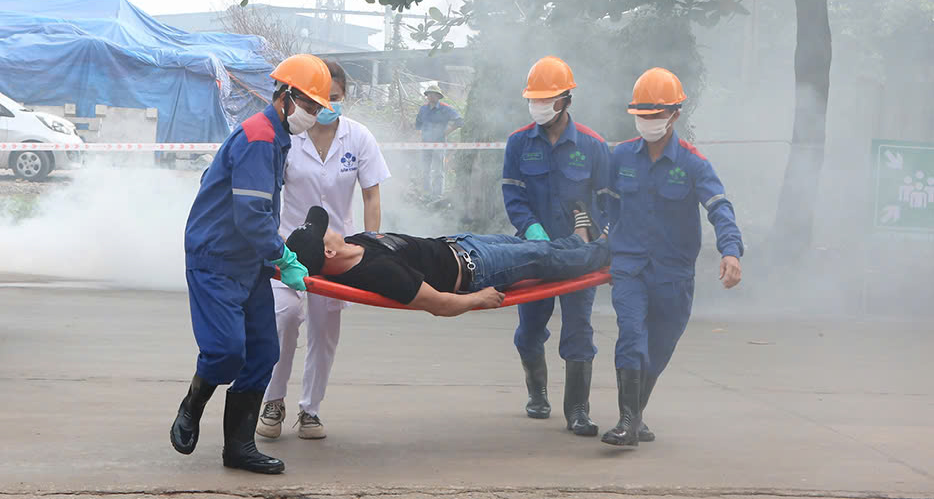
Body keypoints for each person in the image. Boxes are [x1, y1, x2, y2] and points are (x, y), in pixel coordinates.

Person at [169, 54, 333, 474]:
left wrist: (276, 255)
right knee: (226, 351)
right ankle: (193, 402)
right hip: (217, 258)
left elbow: (258, 214)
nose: (313, 116)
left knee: (262, 352)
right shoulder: (260, 138)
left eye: (318, 109)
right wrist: (284, 257)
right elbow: (250, 217)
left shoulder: (277, 139)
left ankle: (238, 448)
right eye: (310, 106)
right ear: (286, 97)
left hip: (249, 261)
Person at [602, 68, 744, 448]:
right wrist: (603, 239)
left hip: (673, 276)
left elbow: (720, 207)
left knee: (658, 350)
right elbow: (608, 208)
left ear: (675, 115)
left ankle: (637, 415)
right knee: (631, 336)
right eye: (642, 116)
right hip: (629, 267)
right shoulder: (620, 159)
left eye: (656, 116)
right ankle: (626, 422)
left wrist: (730, 250)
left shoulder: (693, 163)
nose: (648, 123)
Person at [256, 62, 391, 441]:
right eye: (320, 98)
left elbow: (371, 193)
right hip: (286, 249)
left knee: (324, 329)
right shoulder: (289, 136)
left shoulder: (359, 137)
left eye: (334, 98)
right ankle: (273, 400)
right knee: (283, 319)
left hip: (337, 252)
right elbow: (267, 194)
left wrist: (370, 243)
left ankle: (310, 409)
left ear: (344, 97)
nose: (327, 105)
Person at [501, 56, 611, 437]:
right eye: (533, 99)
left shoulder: (594, 146)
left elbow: (608, 199)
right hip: (532, 253)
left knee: (579, 328)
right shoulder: (518, 142)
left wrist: (604, 236)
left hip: (578, 255)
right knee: (530, 328)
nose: (538, 106)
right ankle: (538, 392)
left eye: (546, 99)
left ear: (565, 100)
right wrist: (531, 230)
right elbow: (513, 196)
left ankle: (578, 410)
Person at [284, 206, 609, 317]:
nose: (332, 227)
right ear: (328, 253)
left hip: (463, 244)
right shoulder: (378, 274)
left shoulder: (353, 243)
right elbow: (437, 304)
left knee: (542, 248)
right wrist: (476, 300)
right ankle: (610, 251)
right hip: (479, 269)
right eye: (325, 231)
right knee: (543, 257)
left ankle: (579, 241)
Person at [414, 83, 463, 198]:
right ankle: (426, 193)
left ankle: (437, 195)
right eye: (429, 94)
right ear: (426, 96)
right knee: (425, 170)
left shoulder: (446, 109)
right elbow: (418, 124)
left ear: (439, 96)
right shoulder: (423, 109)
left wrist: (447, 131)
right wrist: (418, 134)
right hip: (425, 144)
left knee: (438, 170)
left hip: (439, 143)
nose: (431, 96)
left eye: (434, 94)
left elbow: (460, 121)